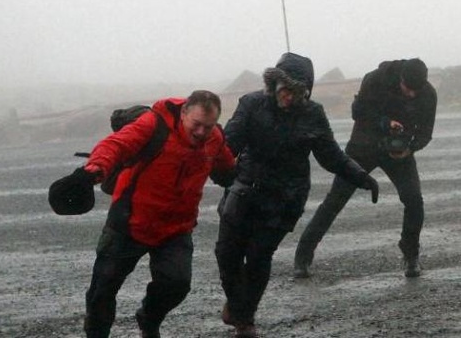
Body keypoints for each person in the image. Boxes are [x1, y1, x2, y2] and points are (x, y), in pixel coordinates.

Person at [214, 52, 379, 338]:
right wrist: (216, 169)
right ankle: (238, 303)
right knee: (226, 254)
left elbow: (332, 156)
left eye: (297, 92)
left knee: (258, 256)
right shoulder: (251, 104)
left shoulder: (313, 113)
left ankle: (245, 319)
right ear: (274, 83)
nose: (289, 97)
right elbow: (228, 146)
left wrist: (362, 177)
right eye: (285, 89)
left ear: (307, 92)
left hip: (285, 199)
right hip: (244, 191)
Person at [80, 91, 235, 338]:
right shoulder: (154, 125)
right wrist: (94, 168)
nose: (201, 132)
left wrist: (244, 176)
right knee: (102, 290)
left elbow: (226, 166)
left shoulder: (213, 138)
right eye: (196, 125)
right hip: (129, 222)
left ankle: (149, 319)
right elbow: (117, 144)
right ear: (184, 113)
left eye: (208, 126)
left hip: (175, 229)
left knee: (177, 285)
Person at [294, 58, 437, 279]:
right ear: (401, 78)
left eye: (415, 92)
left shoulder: (427, 94)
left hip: (399, 152)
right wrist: (385, 123)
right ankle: (303, 256)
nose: (411, 95)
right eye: (407, 89)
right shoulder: (375, 79)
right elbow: (357, 111)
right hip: (363, 147)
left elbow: (426, 132)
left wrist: (410, 148)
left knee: (414, 200)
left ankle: (411, 254)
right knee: (335, 200)